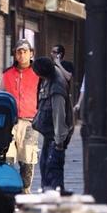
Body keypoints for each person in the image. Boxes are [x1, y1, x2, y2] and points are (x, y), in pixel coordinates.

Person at [1, 40, 40, 193]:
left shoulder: (38, 74)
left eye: (25, 51)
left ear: (31, 53)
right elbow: (1, 94)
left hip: (31, 122)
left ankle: (25, 190)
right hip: (9, 122)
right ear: (15, 54)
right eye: (19, 52)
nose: (22, 55)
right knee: (7, 158)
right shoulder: (7, 74)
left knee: (27, 159)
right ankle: (9, 190)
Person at [31, 56, 73, 192]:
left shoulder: (56, 87)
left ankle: (53, 195)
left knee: (52, 169)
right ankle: (49, 191)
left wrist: (59, 142)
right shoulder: (51, 75)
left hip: (56, 137)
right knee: (45, 166)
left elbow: (59, 116)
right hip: (50, 134)